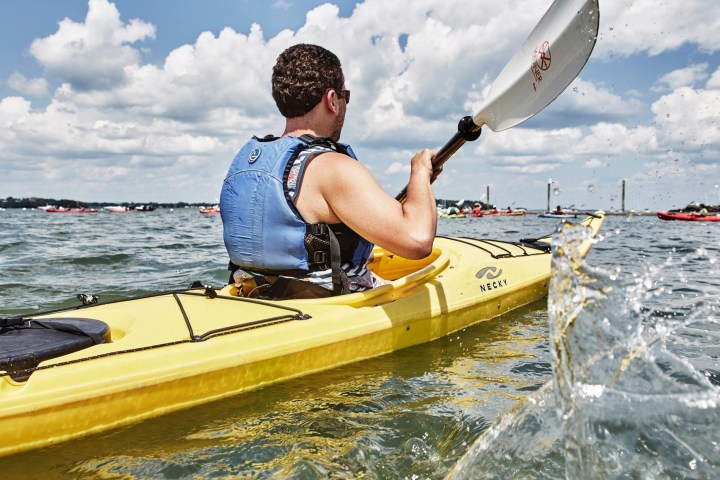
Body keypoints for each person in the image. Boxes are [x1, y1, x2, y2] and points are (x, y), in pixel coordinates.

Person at [219, 44, 439, 299]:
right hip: (324, 305)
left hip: (254, 295)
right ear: (332, 99)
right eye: (345, 95)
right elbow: (417, 240)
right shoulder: (331, 167)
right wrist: (420, 173)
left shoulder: (248, 163)